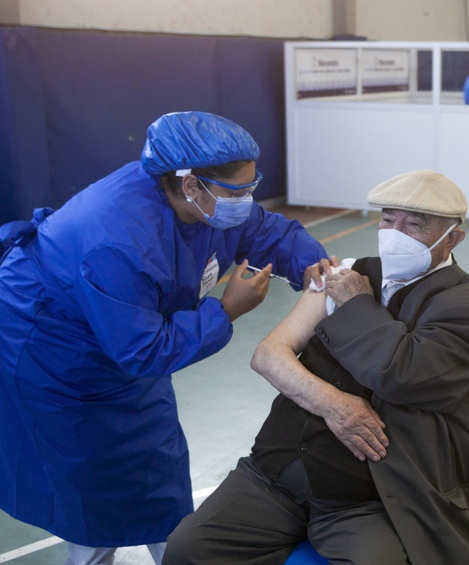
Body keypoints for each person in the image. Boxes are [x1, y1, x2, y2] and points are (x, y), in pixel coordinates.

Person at [0, 111, 328, 564]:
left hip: (125, 333)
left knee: (156, 462)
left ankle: (176, 554)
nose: (247, 199)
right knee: (87, 483)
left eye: (253, 186)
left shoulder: (197, 199)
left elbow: (260, 227)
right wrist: (226, 309)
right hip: (54, 353)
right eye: (238, 191)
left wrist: (318, 267)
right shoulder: (116, 243)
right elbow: (144, 350)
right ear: (191, 186)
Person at [165, 170, 469, 564]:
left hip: (366, 498)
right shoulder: (348, 271)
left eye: (415, 225)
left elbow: (401, 374)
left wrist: (354, 305)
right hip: (276, 475)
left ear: (452, 237)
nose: (394, 233)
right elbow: (269, 354)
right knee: (188, 549)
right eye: (388, 219)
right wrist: (332, 404)